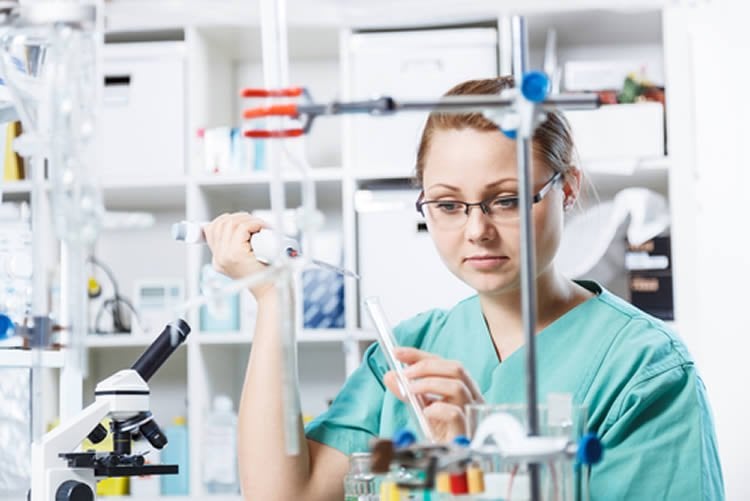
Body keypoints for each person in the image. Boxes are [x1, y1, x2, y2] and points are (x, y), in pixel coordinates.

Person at [204, 76, 724, 500]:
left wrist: (478, 472)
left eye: (506, 199)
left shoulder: (643, 370)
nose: (477, 230)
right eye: (449, 205)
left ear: (566, 189)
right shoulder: (408, 354)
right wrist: (273, 300)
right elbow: (283, 495)